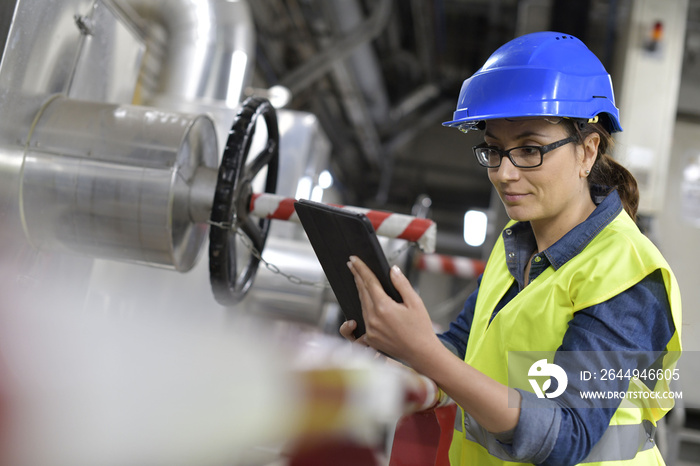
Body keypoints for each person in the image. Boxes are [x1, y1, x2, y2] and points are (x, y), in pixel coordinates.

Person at [340, 31, 682, 466]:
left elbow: (567, 434)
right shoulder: (516, 247)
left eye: (530, 150)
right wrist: (397, 350)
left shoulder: (628, 276)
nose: (504, 173)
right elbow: (461, 352)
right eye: (494, 151)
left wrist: (424, 351)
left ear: (586, 151)